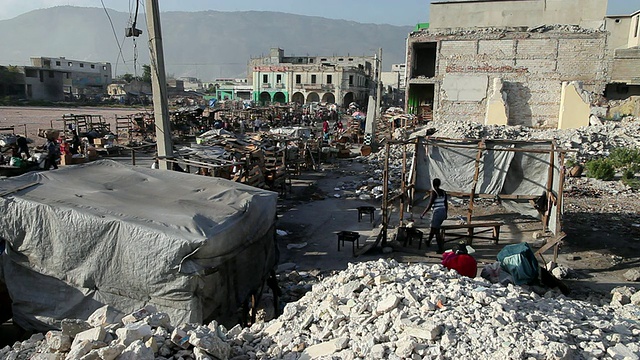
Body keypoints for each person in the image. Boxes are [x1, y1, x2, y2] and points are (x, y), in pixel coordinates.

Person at [420, 178, 448, 253]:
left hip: (437, 212)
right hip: (443, 211)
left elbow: (430, 204)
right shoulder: (443, 192)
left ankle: (440, 249)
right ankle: (428, 241)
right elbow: (446, 204)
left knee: (436, 231)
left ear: (433, 184)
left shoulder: (434, 192)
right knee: (433, 227)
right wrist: (446, 213)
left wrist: (423, 213)